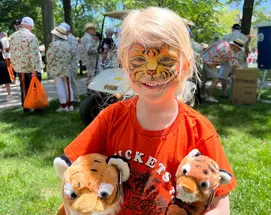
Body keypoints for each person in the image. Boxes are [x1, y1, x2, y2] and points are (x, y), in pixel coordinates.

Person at [63, 7, 237, 215]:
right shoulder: (110, 119)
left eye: (165, 59)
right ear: (124, 65)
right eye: (138, 60)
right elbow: (72, 177)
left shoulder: (199, 130)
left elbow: (220, 203)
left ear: (185, 65)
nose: (152, 70)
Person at [10, 16, 43, 113]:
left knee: (24, 87)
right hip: (31, 67)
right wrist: (35, 69)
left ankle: (26, 107)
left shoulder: (13, 36)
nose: (32, 29)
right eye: (32, 27)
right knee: (35, 87)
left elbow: (12, 52)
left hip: (20, 67)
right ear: (29, 26)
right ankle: (37, 107)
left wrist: (15, 66)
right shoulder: (31, 36)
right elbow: (34, 54)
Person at [202, 39, 244, 103]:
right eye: (239, 49)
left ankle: (203, 94)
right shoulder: (230, 53)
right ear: (235, 46)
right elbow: (235, 63)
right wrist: (245, 72)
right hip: (210, 64)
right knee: (215, 80)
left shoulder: (223, 42)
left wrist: (203, 54)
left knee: (204, 79)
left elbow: (211, 46)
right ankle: (209, 97)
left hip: (205, 59)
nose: (238, 51)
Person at [47, 26, 74, 112]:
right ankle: (70, 105)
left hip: (56, 68)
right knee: (68, 86)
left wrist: (50, 65)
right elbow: (72, 55)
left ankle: (63, 106)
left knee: (60, 86)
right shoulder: (68, 44)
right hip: (66, 68)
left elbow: (49, 57)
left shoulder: (53, 44)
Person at [59, 22, 80, 103]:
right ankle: (68, 98)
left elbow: (72, 52)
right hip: (65, 64)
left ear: (67, 31)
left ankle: (75, 98)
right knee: (67, 82)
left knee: (72, 81)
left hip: (72, 64)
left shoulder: (72, 39)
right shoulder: (63, 38)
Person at [81, 23, 99, 88]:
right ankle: (91, 91)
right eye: (94, 29)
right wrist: (98, 47)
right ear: (89, 30)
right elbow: (89, 50)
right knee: (91, 76)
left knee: (90, 76)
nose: (95, 31)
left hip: (89, 60)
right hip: (90, 60)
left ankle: (89, 91)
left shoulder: (86, 37)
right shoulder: (88, 38)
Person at [0, 34, 13, 101]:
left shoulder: (1, 42)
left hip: (1, 62)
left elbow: (2, 50)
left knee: (6, 80)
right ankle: (9, 94)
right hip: (2, 61)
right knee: (5, 80)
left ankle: (9, 94)